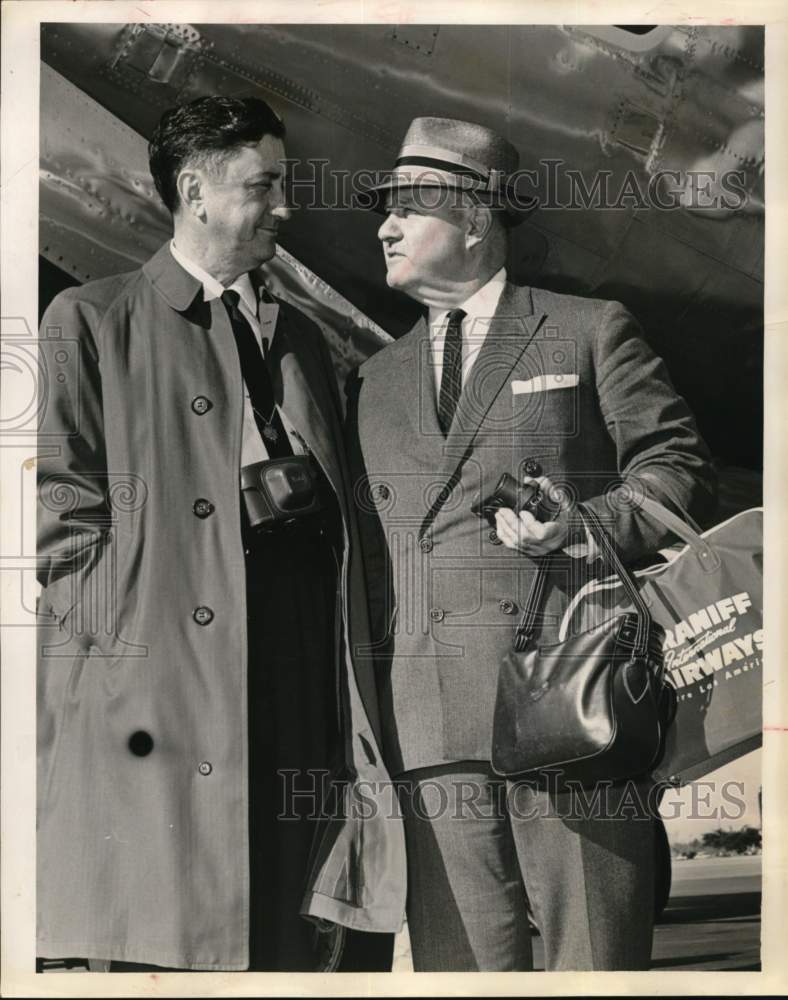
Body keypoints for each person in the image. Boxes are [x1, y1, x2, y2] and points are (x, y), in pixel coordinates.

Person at [36, 95, 404, 972]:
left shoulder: (305, 341)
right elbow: (59, 515)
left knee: (287, 910)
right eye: (264, 184)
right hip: (160, 672)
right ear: (195, 192)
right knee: (171, 923)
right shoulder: (88, 322)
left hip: (296, 646)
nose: (286, 206)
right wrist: (124, 651)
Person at [346, 116, 717, 971]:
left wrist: (586, 527)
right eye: (384, 211)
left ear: (475, 219)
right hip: (432, 735)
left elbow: (676, 470)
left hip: (571, 712)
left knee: (592, 967)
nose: (385, 227)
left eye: (409, 207)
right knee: (462, 976)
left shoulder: (587, 328)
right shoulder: (371, 381)